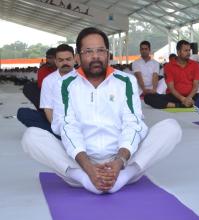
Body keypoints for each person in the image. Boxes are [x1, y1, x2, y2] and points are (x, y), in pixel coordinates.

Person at [21, 27, 182, 194]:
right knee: (31, 136)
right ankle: (84, 179)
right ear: (79, 56)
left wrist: (119, 161)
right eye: (88, 51)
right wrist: (88, 168)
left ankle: (124, 177)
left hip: (123, 161)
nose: (95, 56)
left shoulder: (126, 81)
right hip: (80, 162)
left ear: (107, 54)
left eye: (100, 50)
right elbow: (67, 126)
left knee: (171, 127)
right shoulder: (65, 84)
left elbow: (132, 123)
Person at [17, 44, 76, 136]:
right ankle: (59, 134)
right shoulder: (48, 79)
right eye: (61, 60)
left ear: (74, 59)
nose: (65, 63)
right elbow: (48, 109)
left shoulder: (83, 77)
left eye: (68, 59)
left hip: (78, 122)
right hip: (55, 119)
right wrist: (57, 129)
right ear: (56, 61)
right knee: (23, 113)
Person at [144, 40, 199, 109]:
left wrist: (189, 98)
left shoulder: (195, 65)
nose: (188, 53)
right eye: (185, 50)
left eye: (189, 50)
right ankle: (179, 105)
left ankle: (183, 103)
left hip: (191, 96)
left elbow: (196, 86)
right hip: (174, 96)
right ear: (178, 52)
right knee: (148, 97)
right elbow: (171, 88)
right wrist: (183, 99)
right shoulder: (168, 66)